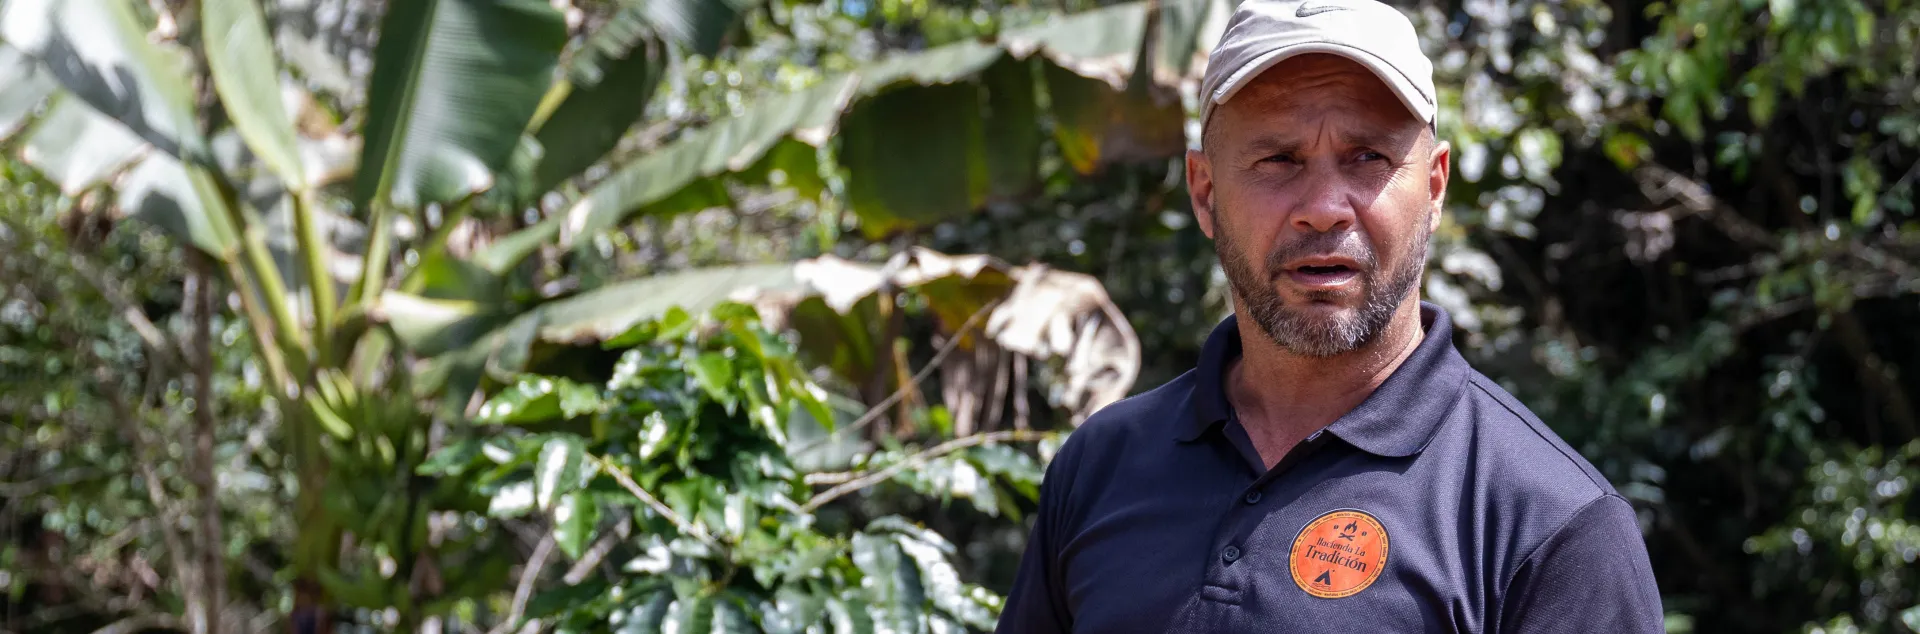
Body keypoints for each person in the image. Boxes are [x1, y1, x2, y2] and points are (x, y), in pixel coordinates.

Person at [994, 0, 1663, 631]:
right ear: (1205, 192)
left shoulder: (1552, 524)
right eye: (1278, 159)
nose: (1323, 208)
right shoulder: (1102, 463)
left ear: (1434, 187)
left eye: (1368, 158)